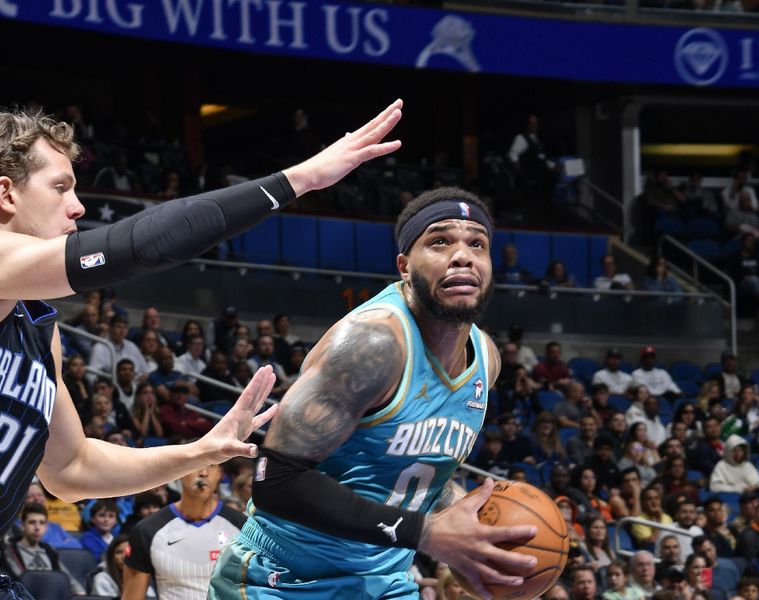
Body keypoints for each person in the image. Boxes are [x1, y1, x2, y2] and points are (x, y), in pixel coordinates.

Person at [0, 100, 403, 548]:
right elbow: (137, 245)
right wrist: (299, 180)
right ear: (7, 193)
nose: (77, 207)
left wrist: (200, 451)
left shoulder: (36, 326)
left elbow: (72, 469)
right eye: (60, 188)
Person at [209, 187, 539, 599]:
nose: (462, 255)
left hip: (386, 582)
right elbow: (273, 480)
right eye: (439, 241)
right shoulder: (372, 344)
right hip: (285, 579)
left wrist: (472, 527)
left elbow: (407, 476)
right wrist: (425, 533)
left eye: (477, 243)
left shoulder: (485, 360)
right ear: (404, 265)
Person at [124, 464, 245, 600]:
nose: (203, 473)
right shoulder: (147, 530)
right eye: (197, 464)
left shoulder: (243, 527)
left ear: (219, 473)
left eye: (211, 466)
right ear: (180, 472)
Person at [0, 503, 86, 595]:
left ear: (46, 527)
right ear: (22, 526)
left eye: (42, 523)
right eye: (32, 522)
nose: (37, 528)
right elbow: (19, 580)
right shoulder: (10, 549)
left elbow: (66, 577)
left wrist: (80, 592)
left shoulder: (48, 549)